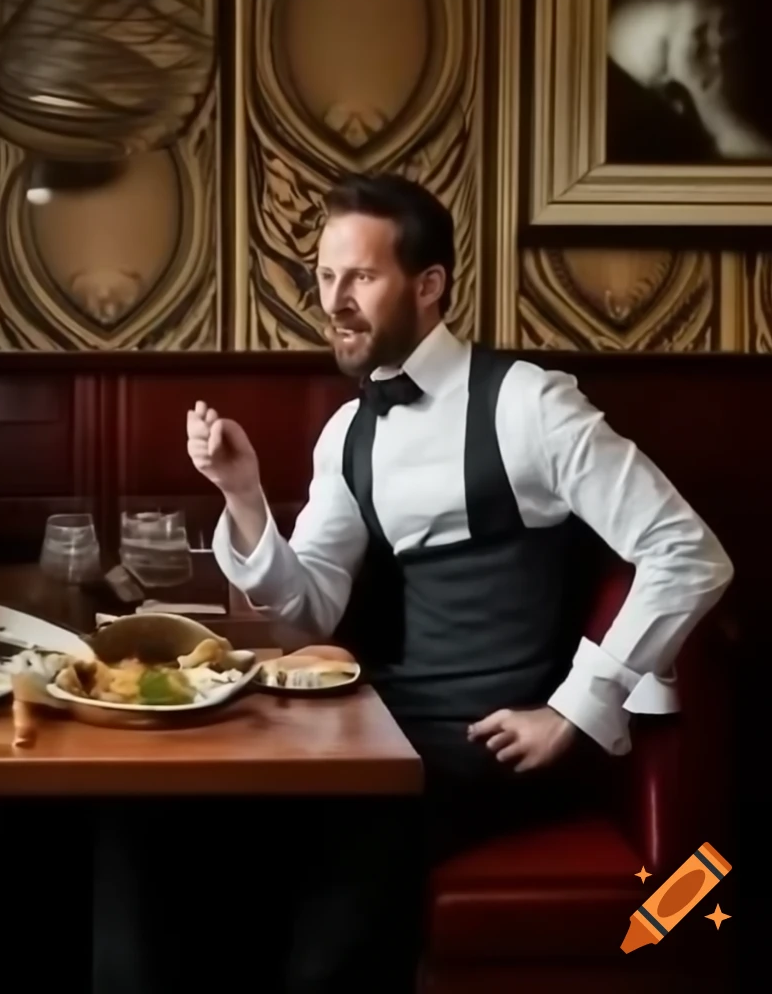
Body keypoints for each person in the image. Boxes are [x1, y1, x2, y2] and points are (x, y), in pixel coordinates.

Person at [174, 172, 734, 992]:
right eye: (325, 276)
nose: (335, 301)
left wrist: (575, 709)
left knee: (325, 942)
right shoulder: (348, 431)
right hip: (384, 736)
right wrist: (243, 496)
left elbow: (688, 552)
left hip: (489, 754)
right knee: (183, 838)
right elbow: (309, 610)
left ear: (429, 285)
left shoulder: (529, 404)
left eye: (361, 277)